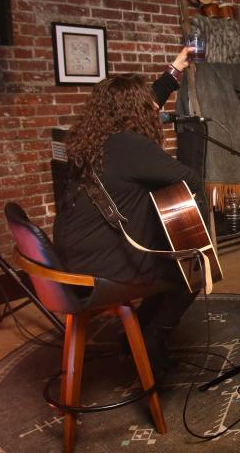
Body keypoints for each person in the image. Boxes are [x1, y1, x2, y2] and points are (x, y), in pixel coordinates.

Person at [53, 47, 200, 373]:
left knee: (166, 259)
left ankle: (130, 340)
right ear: (136, 111)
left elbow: (149, 101)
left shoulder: (87, 137)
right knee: (191, 269)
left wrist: (174, 69)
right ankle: (151, 342)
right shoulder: (130, 145)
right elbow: (190, 180)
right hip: (99, 266)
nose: (152, 110)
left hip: (70, 254)